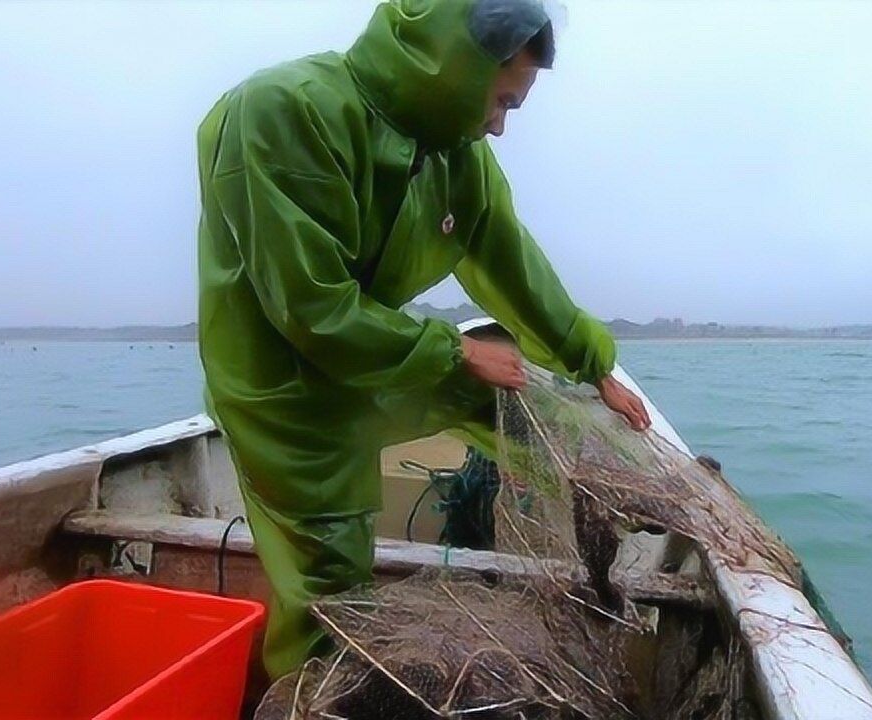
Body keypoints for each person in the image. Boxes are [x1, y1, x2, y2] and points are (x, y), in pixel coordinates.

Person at [195, 0, 651, 678]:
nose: (496, 127)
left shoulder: (457, 154)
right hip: (283, 389)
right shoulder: (282, 111)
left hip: (379, 357)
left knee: (525, 408)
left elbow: (513, 265)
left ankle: (628, 524)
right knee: (330, 587)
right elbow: (310, 308)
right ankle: (308, 689)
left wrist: (596, 366)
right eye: (498, 102)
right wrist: (457, 350)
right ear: (455, 67)